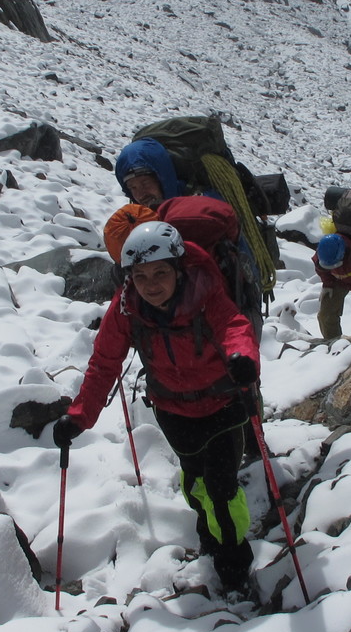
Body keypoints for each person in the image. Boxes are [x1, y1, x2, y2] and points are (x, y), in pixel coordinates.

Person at [53, 221, 260, 593]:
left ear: (178, 269)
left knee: (221, 485)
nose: (151, 284)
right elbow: (104, 363)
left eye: (161, 272)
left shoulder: (206, 292)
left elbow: (233, 325)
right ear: (129, 277)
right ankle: (209, 531)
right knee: (195, 479)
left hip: (223, 403)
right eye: (141, 275)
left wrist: (242, 357)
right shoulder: (128, 309)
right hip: (173, 409)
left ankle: (234, 558)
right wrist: (79, 416)